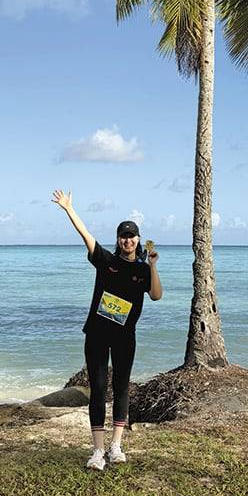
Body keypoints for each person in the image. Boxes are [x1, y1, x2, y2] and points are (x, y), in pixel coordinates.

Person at [51, 189, 163, 470]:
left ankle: (116, 446)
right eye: (124, 236)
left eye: (132, 236)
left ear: (139, 240)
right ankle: (98, 450)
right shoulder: (106, 261)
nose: (128, 240)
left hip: (126, 337)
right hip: (97, 334)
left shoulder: (143, 269)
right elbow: (85, 234)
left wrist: (152, 265)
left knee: (122, 388)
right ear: (119, 240)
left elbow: (157, 295)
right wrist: (68, 209)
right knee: (99, 389)